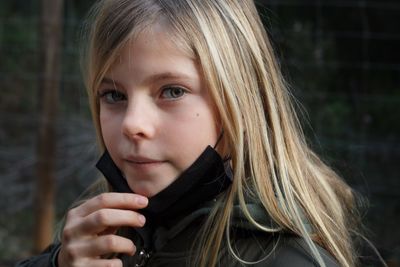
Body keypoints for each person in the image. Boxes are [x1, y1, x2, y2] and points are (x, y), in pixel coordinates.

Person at [17, 0, 361, 266]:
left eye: (172, 91)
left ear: (239, 101)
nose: (132, 124)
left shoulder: (287, 260)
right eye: (114, 95)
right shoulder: (100, 236)